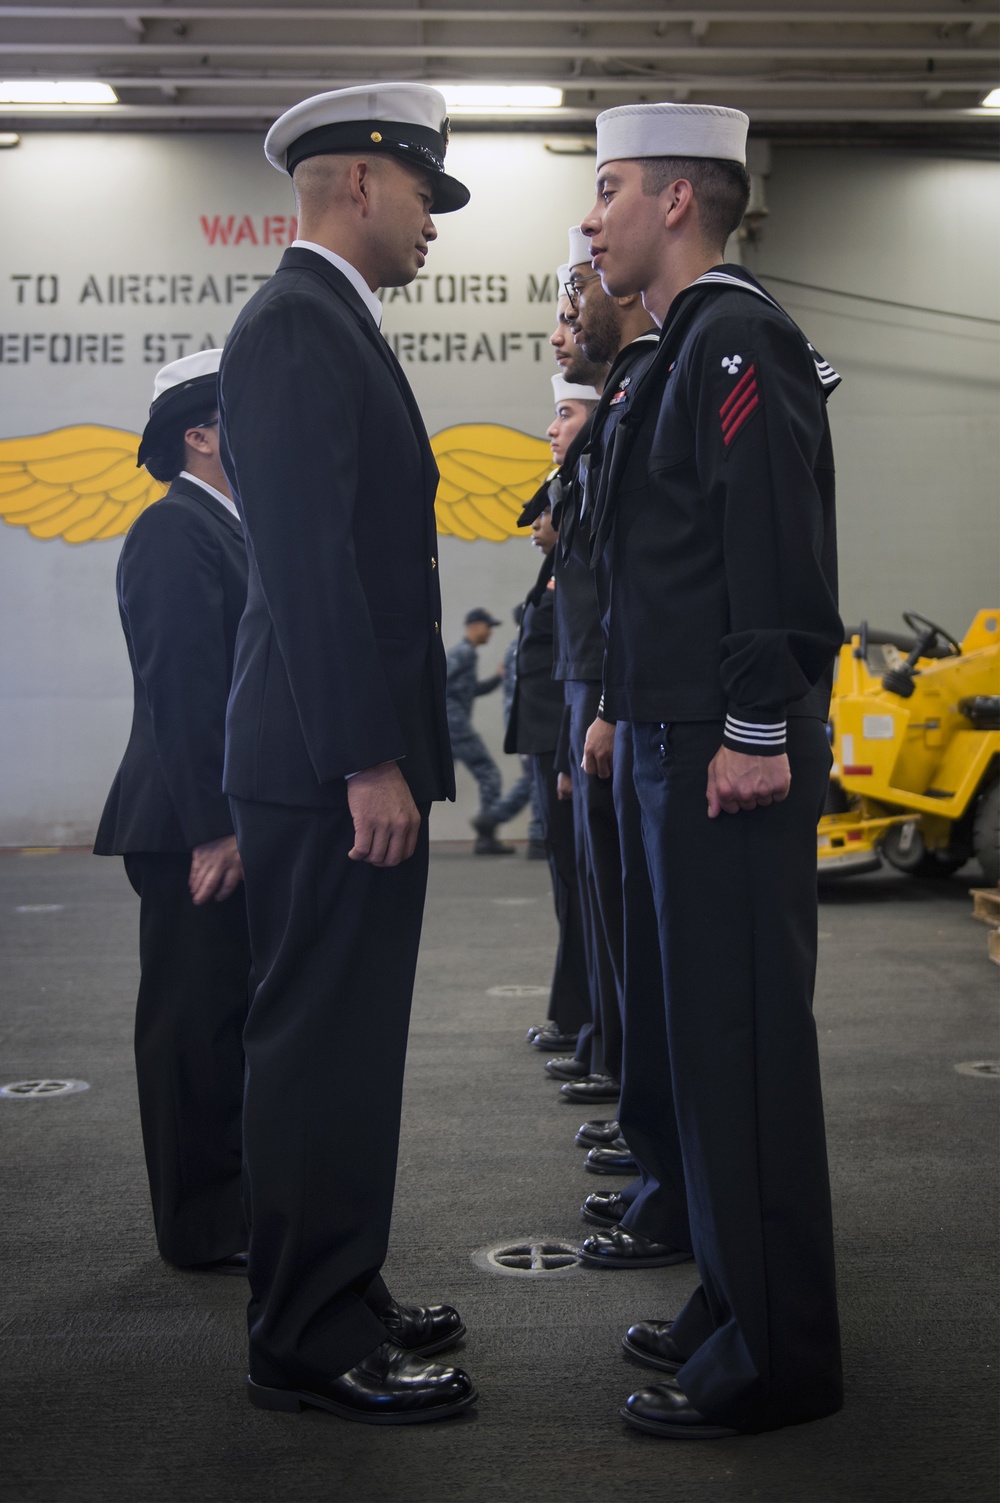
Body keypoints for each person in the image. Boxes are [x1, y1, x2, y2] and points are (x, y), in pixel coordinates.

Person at [580, 101, 844, 1438]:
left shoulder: (737, 333)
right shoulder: (685, 346)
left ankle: (781, 1355)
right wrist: (627, 704)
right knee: (697, 1040)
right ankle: (735, 1297)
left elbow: (770, 542)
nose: (592, 214)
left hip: (723, 751)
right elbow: (664, 560)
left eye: (610, 186)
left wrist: (752, 725)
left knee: (741, 1050)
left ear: (679, 197)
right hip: (673, 738)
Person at [217, 84, 477, 1425]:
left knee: (352, 1040)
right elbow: (312, 566)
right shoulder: (293, 326)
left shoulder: (334, 324)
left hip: (344, 755)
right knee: (317, 1041)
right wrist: (369, 759)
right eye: (426, 190)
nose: (436, 219)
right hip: (326, 763)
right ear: (361, 181)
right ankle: (301, 1335)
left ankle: (342, 1278)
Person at [93, 350, 251, 1276]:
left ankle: (231, 1199)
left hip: (216, 815)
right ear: (198, 436)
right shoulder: (173, 532)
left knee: (225, 1017)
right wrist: (214, 826)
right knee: (192, 1026)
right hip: (190, 823)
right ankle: (199, 1226)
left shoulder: (227, 527)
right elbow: (181, 691)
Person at [505, 442, 596, 1057]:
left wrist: (565, 758)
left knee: (580, 888)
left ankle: (583, 1022)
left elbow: (575, 670)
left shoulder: (576, 569)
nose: (536, 526)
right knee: (569, 888)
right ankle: (575, 1017)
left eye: (543, 513)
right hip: (546, 744)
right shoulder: (553, 570)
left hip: (560, 745)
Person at [446, 607, 525, 854]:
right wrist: (454, 720)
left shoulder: (468, 653)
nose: (490, 632)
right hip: (455, 726)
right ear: (475, 626)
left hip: (451, 725)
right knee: (488, 772)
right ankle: (486, 838)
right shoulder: (463, 653)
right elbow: (439, 683)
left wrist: (498, 678)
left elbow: (471, 690)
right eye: (487, 626)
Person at [501, 605, 546, 860]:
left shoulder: (514, 646)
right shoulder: (526, 645)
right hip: (528, 724)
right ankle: (539, 837)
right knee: (537, 781)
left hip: (522, 724)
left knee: (532, 780)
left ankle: (493, 817)